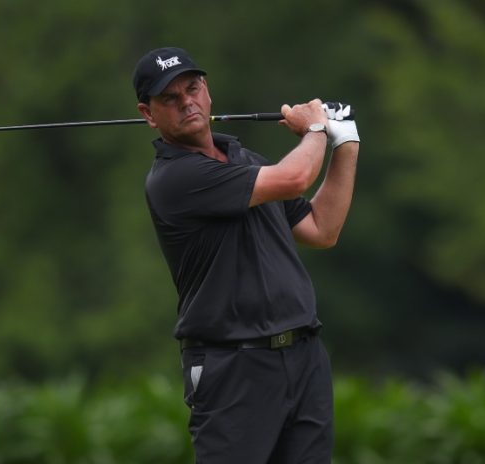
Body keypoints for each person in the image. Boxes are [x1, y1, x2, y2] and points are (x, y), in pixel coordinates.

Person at [132, 47, 359, 464]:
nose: (187, 101)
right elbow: (296, 178)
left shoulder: (243, 162)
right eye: (170, 98)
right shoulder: (175, 179)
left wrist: (345, 140)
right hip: (234, 367)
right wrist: (315, 129)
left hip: (303, 357)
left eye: (193, 88)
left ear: (208, 91)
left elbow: (321, 229)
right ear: (149, 114)